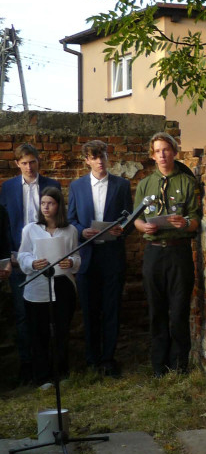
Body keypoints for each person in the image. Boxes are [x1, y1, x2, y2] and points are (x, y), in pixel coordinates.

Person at [133, 131, 201, 376]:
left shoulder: (187, 182)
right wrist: (144, 227)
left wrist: (185, 223)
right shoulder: (145, 184)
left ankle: (179, 364)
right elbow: (136, 219)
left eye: (166, 150)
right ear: (152, 156)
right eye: (157, 151)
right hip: (154, 252)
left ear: (174, 152)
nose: (162, 155)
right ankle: (159, 365)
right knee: (157, 309)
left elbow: (196, 219)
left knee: (179, 309)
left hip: (178, 251)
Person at [68, 140, 134, 377]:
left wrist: (122, 230)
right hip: (87, 256)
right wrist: (81, 231)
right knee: (89, 310)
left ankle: (108, 359)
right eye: (94, 157)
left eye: (102, 156)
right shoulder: (77, 186)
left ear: (108, 156)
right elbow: (71, 219)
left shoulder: (121, 185)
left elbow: (130, 218)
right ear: (86, 160)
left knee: (111, 309)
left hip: (112, 255)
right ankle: (92, 360)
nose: (99, 161)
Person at [0, 143, 60, 384]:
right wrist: (9, 255)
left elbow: (59, 220)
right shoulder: (8, 187)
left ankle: (50, 364)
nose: (29, 167)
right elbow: (4, 225)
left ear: (38, 161)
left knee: (48, 312)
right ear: (17, 164)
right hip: (18, 258)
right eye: (24, 163)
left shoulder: (51, 185)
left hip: (46, 256)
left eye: (32, 162)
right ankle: (27, 364)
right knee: (22, 313)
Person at [19, 187, 80, 389]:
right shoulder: (30, 229)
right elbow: (23, 255)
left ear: (58, 206)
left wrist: (71, 262)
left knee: (61, 331)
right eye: (43, 203)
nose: (46, 207)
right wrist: (32, 263)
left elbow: (76, 256)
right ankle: (42, 377)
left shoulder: (70, 230)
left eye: (51, 203)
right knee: (39, 333)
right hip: (38, 286)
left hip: (62, 285)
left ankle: (61, 372)